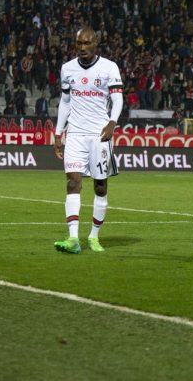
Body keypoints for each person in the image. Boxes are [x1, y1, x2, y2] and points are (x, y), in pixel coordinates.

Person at [53, 27, 123, 254]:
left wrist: (112, 122)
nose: (82, 48)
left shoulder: (109, 68)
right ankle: (73, 238)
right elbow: (65, 102)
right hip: (75, 135)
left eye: (87, 43)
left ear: (95, 44)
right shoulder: (67, 69)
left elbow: (117, 99)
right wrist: (58, 133)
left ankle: (94, 236)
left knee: (100, 186)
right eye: (79, 43)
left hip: (99, 135)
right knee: (73, 182)